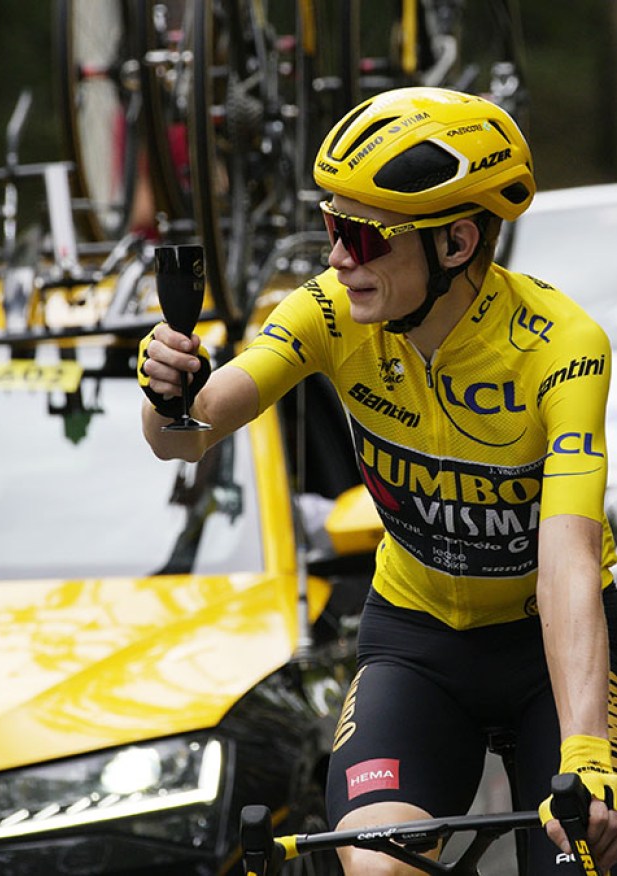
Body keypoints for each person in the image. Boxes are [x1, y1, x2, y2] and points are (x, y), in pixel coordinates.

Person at [139, 86, 617, 873]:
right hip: (417, 638)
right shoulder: (328, 312)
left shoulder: (560, 346)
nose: (335, 258)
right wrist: (167, 394)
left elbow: (565, 556)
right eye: (331, 227)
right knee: (375, 861)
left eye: (360, 237)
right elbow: (187, 438)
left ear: (456, 243)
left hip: (550, 644)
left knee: (583, 851)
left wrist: (587, 753)